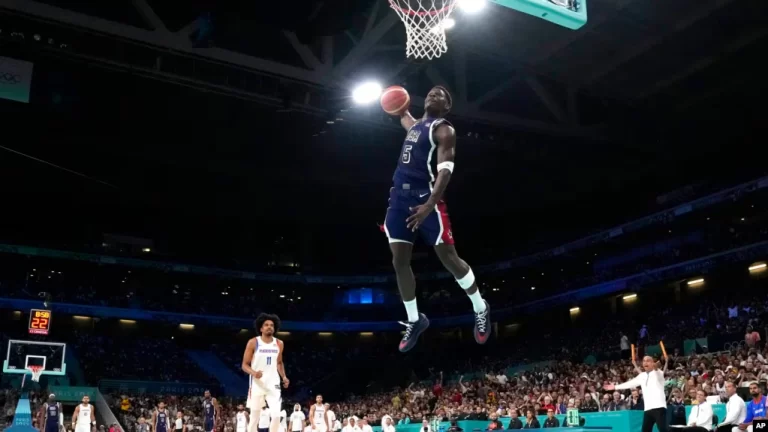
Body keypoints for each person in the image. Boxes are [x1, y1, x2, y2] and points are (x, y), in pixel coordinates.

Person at [382, 86, 491, 352]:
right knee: (399, 261)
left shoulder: (444, 130)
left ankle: (480, 307)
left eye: (439, 94)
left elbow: (445, 172)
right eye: (430, 92)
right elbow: (405, 119)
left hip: (426, 198)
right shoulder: (417, 125)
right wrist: (397, 107)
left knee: (449, 258)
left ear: (447, 105)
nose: (432, 94)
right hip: (399, 199)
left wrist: (429, 206)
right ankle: (414, 320)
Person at [243, 313, 290, 432]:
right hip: (257, 384)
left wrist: (284, 377)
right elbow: (244, 365)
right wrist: (253, 373)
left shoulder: (279, 343)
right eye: (266, 325)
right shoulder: (253, 342)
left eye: (272, 325)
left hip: (273, 383)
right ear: (261, 328)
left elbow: (279, 363)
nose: (269, 327)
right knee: (254, 418)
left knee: (276, 415)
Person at [604, 356, 669, 432]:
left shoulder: (659, 373)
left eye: (648, 361)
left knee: (663, 430)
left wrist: (656, 366)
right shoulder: (642, 376)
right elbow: (630, 383)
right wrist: (615, 387)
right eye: (644, 360)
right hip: (648, 409)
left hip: (659, 408)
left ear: (652, 363)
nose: (645, 362)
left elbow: (657, 369)